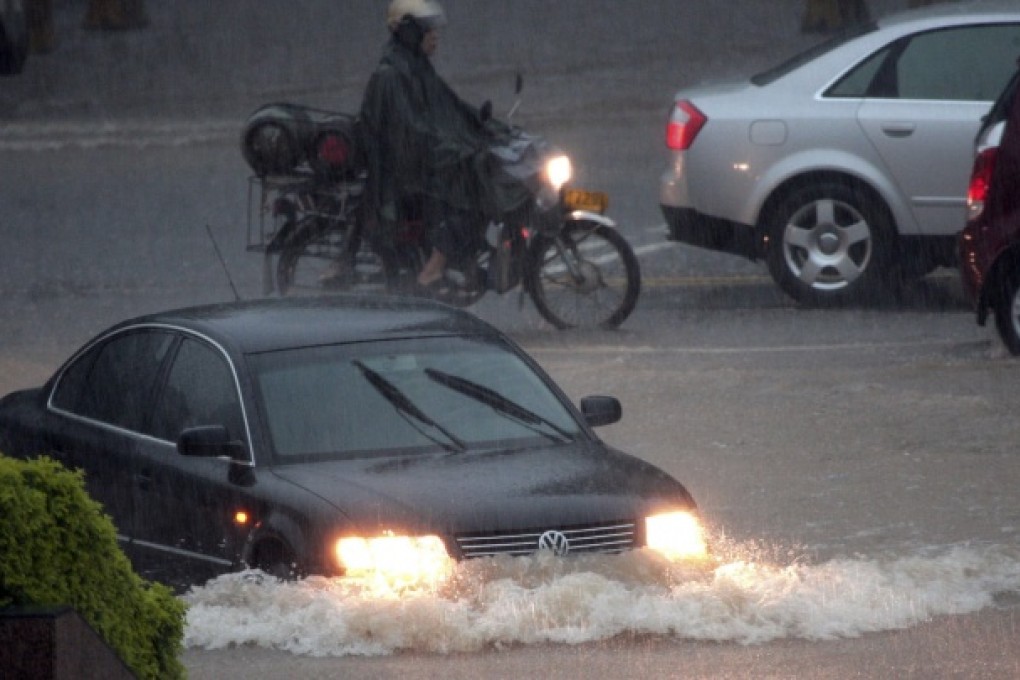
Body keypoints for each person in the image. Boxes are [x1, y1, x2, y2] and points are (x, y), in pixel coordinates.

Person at [359, 0, 492, 292]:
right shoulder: (392, 76)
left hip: (417, 162)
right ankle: (433, 269)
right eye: (427, 29)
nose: (435, 36)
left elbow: (450, 107)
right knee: (471, 194)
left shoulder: (416, 67)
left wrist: (485, 127)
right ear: (409, 32)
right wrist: (456, 150)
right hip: (403, 173)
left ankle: (460, 258)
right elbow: (412, 133)